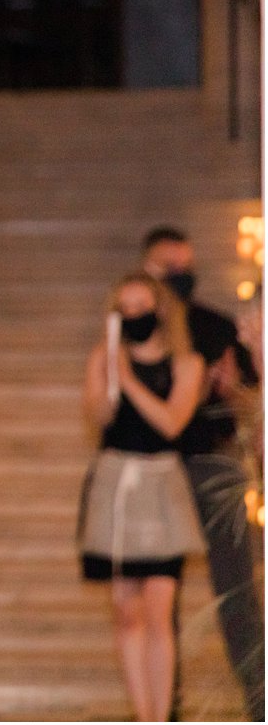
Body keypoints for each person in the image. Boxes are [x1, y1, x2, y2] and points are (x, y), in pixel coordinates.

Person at [140, 226, 264, 719]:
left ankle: (259, 702)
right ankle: (161, 708)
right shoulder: (138, 330)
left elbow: (252, 403)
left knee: (235, 590)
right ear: (148, 268)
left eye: (186, 266)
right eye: (170, 267)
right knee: (156, 593)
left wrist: (231, 387)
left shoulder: (214, 327)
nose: (181, 276)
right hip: (155, 471)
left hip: (212, 466)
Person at [79, 272, 207, 723]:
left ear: (160, 310)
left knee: (159, 611)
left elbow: (172, 423)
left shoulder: (187, 364)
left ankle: (161, 714)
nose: (134, 316)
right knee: (125, 613)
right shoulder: (104, 358)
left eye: (141, 307)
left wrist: (131, 379)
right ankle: (143, 715)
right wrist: (111, 374)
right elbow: (99, 414)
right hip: (117, 485)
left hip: (161, 488)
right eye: (124, 309)